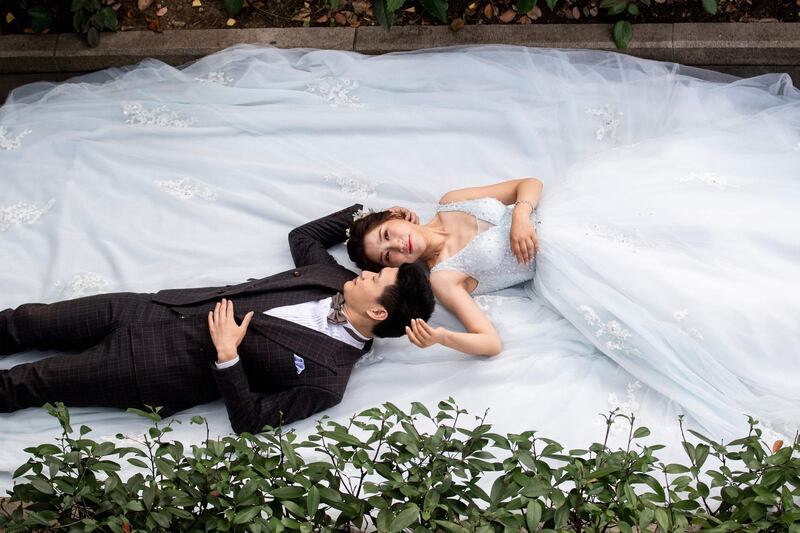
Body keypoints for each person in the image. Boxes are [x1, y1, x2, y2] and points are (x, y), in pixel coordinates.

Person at [0, 205, 435, 434]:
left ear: (378, 312)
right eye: (379, 264)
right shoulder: (329, 275)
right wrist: (379, 216)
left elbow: (252, 421)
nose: (366, 272)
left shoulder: (328, 380)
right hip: (151, 307)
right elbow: (303, 236)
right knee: (26, 321)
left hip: (152, 369)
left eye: (377, 276)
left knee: (28, 383)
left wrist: (228, 356)